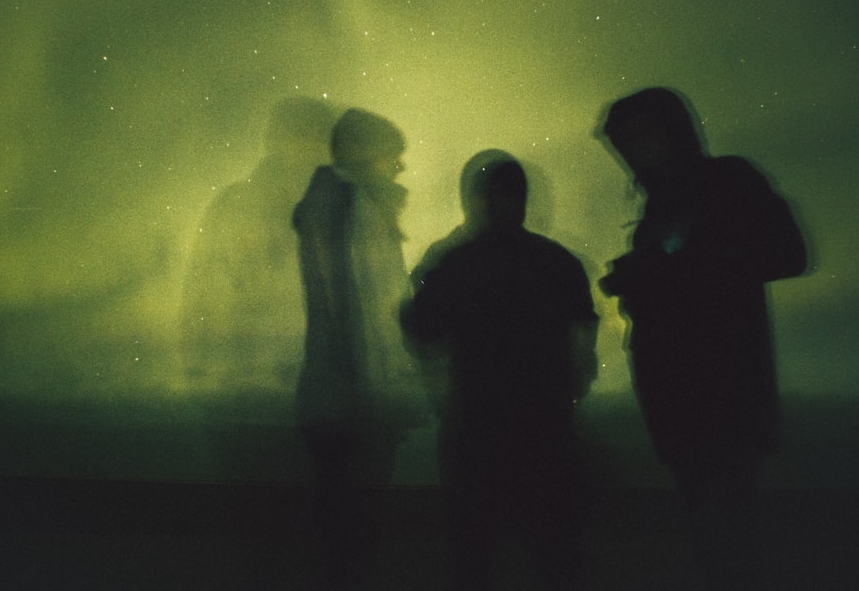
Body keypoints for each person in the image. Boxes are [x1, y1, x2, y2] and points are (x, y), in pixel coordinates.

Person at [598, 87, 807, 589]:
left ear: (667, 133)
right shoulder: (669, 205)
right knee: (718, 538)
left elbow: (788, 254)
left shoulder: (727, 181)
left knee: (726, 538)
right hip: (687, 403)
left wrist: (665, 274)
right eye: (625, 145)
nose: (631, 155)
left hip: (720, 397)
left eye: (636, 140)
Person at [402, 152, 598, 590]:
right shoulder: (559, 262)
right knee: (556, 557)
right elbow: (584, 343)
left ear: (470, 199)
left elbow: (422, 328)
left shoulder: (454, 263)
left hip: (475, 433)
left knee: (473, 557)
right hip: (546, 434)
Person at [293, 107, 426, 590]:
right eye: (393, 155)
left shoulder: (343, 204)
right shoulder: (352, 207)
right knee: (352, 532)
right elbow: (365, 311)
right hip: (354, 401)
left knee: (346, 532)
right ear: (366, 155)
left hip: (344, 399)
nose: (400, 167)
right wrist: (377, 398)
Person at [182, 96, 336, 393]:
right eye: (307, 137)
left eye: (322, 139)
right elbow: (205, 301)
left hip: (302, 384)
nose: (318, 149)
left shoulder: (321, 206)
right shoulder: (238, 207)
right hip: (248, 383)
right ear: (280, 141)